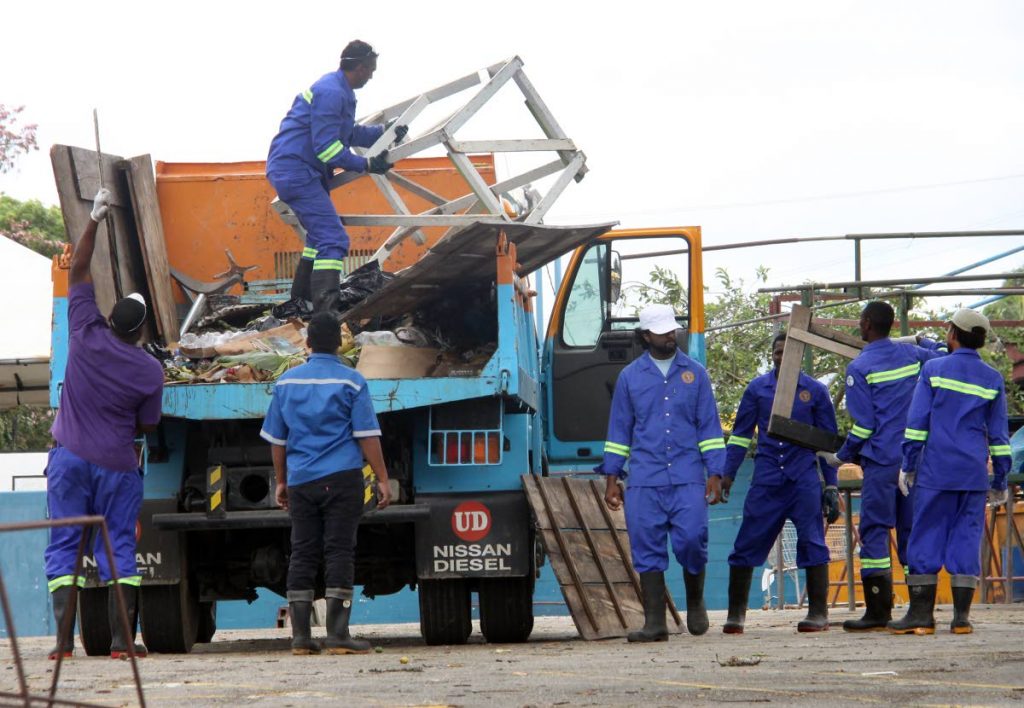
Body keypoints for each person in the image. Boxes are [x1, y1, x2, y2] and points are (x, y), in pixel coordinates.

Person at [44, 188, 164, 659]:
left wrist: (93, 220)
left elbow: (77, 270)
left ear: (111, 318)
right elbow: (148, 424)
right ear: (141, 330)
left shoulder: (84, 331)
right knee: (118, 548)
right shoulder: (149, 371)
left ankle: (61, 644)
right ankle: (120, 643)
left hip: (69, 461)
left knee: (65, 548)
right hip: (116, 466)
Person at [260, 310, 392, 655]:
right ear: (339, 344)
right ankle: (337, 634)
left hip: (301, 480)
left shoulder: (286, 383)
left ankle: (301, 637)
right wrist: (382, 478)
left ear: (306, 343)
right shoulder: (351, 382)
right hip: (342, 478)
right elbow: (367, 436)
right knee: (339, 550)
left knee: (302, 551)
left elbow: (278, 441)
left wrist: (282, 482)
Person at [598, 303, 725, 641]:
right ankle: (655, 622)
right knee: (645, 545)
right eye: (662, 331)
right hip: (645, 478)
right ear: (645, 336)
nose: (671, 335)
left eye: (672, 329)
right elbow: (619, 431)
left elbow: (709, 427)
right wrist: (612, 479)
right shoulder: (630, 378)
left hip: (686, 475)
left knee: (692, 539)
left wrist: (716, 472)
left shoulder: (695, 373)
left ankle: (695, 602)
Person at [821, 301, 946, 632]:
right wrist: (922, 342)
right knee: (912, 530)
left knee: (875, 529)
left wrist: (840, 456)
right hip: (913, 463)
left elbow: (864, 426)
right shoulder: (914, 356)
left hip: (881, 463)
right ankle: (921, 611)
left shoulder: (860, 367)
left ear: (865, 324)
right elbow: (947, 354)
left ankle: (878, 611)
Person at [889, 308, 1011, 635]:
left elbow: (916, 426)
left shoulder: (933, 369)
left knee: (926, 535)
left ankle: (921, 617)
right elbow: (999, 438)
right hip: (973, 474)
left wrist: (908, 465)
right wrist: (1000, 479)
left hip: (937, 472)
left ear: (952, 334)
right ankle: (961, 619)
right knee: (966, 538)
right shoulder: (992, 379)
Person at [267, 39, 407, 312]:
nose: (372, 76)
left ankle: (302, 302)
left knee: (317, 239)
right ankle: (326, 315)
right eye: (371, 70)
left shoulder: (338, 90)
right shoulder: (332, 92)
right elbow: (327, 147)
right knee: (334, 239)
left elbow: (348, 133)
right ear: (361, 68)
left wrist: (382, 131)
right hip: (297, 170)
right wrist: (365, 164)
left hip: (298, 170)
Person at [721, 333, 840, 634]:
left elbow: (827, 444)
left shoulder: (815, 391)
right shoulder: (757, 390)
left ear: (799, 356)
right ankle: (736, 615)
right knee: (746, 542)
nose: (781, 357)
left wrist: (831, 486)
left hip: (803, 480)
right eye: (776, 352)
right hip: (767, 478)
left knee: (813, 541)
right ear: (771, 355)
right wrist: (728, 474)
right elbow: (739, 436)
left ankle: (817, 613)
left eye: (787, 352)